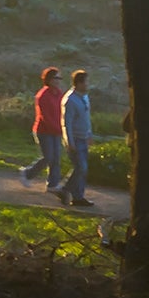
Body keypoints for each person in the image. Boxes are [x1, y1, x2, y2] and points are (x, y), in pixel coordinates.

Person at [20, 67, 65, 191]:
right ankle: (27, 173)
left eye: (59, 78)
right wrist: (59, 129)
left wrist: (62, 127)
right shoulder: (43, 95)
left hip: (56, 131)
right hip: (44, 131)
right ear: (49, 79)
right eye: (56, 78)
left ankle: (52, 184)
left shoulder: (59, 94)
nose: (58, 81)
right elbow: (45, 117)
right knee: (48, 157)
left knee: (56, 158)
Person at [57, 69, 95, 207]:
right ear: (79, 83)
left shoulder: (84, 97)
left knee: (82, 169)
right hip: (75, 140)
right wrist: (69, 141)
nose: (88, 84)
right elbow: (66, 123)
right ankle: (64, 189)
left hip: (83, 138)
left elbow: (86, 118)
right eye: (86, 82)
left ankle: (78, 196)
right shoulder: (70, 100)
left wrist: (89, 134)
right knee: (81, 167)